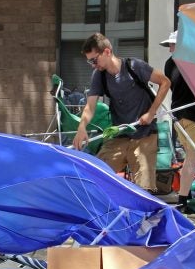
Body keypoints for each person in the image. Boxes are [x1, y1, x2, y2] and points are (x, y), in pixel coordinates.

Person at [72, 33, 170, 193]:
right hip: (120, 135)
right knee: (95, 174)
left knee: (144, 190)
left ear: (107, 52)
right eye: (89, 61)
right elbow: (90, 107)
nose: (92, 65)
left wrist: (152, 112)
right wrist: (81, 127)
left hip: (144, 135)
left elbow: (165, 82)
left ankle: (142, 215)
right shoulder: (99, 76)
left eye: (93, 60)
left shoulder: (134, 66)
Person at [160, 31, 195, 212]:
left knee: (192, 158)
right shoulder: (193, 64)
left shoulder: (169, 64)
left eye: (172, 45)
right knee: (192, 158)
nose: (170, 49)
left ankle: (186, 194)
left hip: (179, 116)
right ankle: (182, 201)